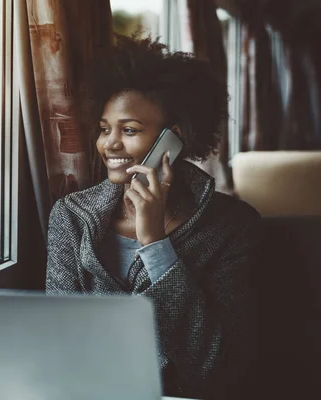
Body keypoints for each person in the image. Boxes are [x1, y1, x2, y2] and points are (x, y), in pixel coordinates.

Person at [46, 34, 261, 399]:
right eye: (103, 128)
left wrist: (156, 244)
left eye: (128, 130)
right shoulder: (71, 216)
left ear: (172, 139)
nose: (109, 145)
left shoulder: (233, 226)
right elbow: (57, 340)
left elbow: (216, 365)